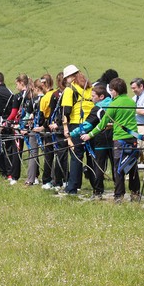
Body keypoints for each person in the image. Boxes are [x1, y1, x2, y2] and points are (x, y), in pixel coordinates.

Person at [81, 77, 141, 202]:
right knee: (132, 165)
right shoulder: (131, 102)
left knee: (118, 168)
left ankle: (119, 195)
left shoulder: (113, 104)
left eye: (112, 90)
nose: (111, 93)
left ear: (115, 91)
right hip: (133, 137)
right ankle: (135, 192)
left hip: (120, 139)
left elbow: (102, 124)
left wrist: (89, 135)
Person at [61, 65, 95, 195]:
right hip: (91, 124)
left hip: (76, 124)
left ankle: (72, 188)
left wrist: (65, 128)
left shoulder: (69, 89)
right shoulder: (89, 87)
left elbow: (66, 110)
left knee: (76, 156)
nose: (66, 81)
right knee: (91, 156)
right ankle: (97, 187)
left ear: (71, 77)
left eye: (66, 78)